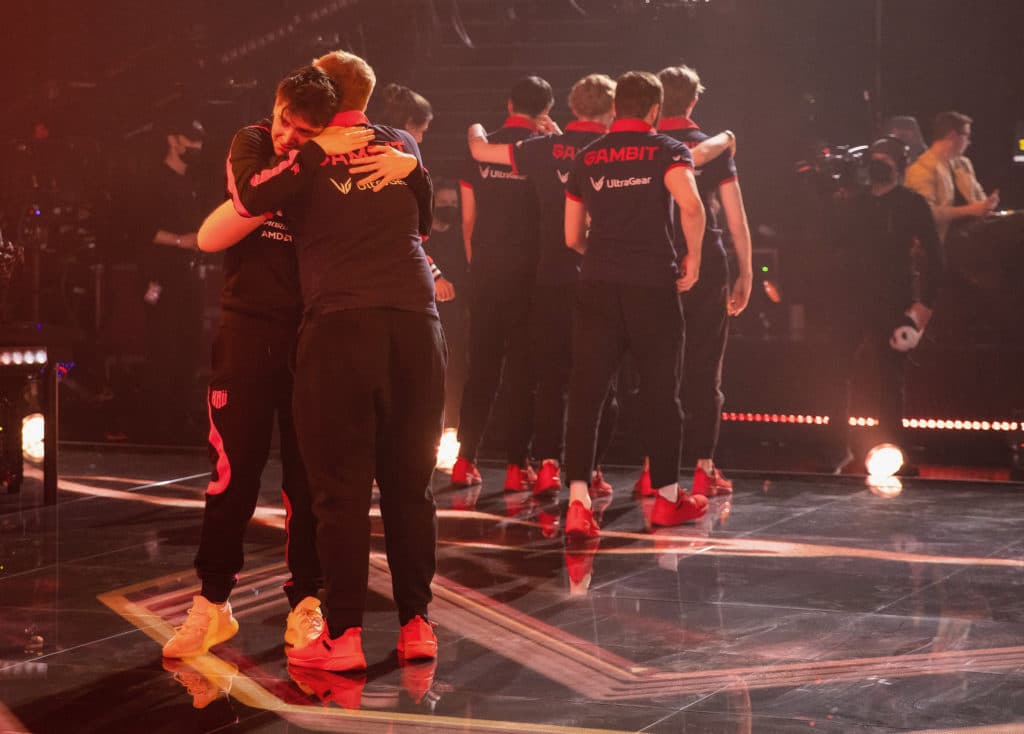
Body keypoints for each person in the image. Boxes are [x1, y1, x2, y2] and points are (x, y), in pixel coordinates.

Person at [161, 67, 390, 659]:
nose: (292, 135)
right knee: (230, 473)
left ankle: (306, 602)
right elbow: (250, 195)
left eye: (307, 129)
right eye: (288, 122)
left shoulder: (335, 158)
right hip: (245, 329)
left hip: (313, 334)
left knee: (305, 480)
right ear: (276, 107)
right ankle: (212, 603)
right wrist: (311, 154)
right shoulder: (253, 142)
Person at [228, 49, 443, 673]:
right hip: (417, 326)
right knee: (411, 488)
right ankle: (417, 627)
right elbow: (423, 225)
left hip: (342, 328)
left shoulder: (300, 156)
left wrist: (315, 155)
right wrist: (413, 170)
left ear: (319, 96)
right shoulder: (401, 141)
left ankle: (343, 637)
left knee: (341, 492)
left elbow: (247, 198)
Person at [563, 71, 709, 537]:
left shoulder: (588, 156)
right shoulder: (667, 149)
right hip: (651, 287)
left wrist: (603, 257)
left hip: (598, 285)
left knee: (586, 397)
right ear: (652, 110)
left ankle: (578, 504)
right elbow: (690, 204)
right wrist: (694, 258)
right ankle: (668, 499)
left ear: (617, 108)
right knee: (661, 393)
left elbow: (571, 236)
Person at [633, 64, 753, 498]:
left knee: (657, 367)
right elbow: (735, 217)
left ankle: (651, 469)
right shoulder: (709, 146)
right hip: (708, 265)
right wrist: (746, 273)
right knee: (705, 368)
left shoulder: (641, 147)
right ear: (694, 100)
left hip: (653, 262)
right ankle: (703, 469)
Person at [451, 76, 553, 492]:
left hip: (488, 271)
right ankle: (516, 466)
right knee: (524, 370)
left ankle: (464, 460)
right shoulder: (544, 151)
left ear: (509, 102)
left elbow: (468, 221)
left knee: (482, 367)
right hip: (532, 274)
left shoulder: (483, 148)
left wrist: (480, 267)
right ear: (544, 111)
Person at [827, 136, 943, 470]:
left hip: (893, 298)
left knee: (890, 377)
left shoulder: (911, 203)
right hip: (849, 298)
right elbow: (832, 245)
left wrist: (923, 308)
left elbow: (936, 257)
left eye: (885, 159)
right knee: (837, 372)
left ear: (899, 165)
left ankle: (892, 449)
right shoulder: (852, 203)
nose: (877, 163)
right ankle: (837, 448)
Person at [139, 113, 206, 443]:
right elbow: (141, 230)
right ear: (173, 139)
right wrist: (183, 240)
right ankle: (157, 421)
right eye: (191, 139)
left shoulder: (189, 184)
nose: (197, 146)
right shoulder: (154, 181)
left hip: (189, 276)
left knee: (188, 344)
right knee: (162, 344)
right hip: (162, 276)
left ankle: (180, 417)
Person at [904, 111, 999, 244]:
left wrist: (986, 205)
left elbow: (978, 196)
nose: (969, 142)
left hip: (972, 236)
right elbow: (927, 214)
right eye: (967, 136)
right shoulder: (920, 169)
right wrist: (970, 210)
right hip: (943, 244)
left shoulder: (963, 163)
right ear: (952, 136)